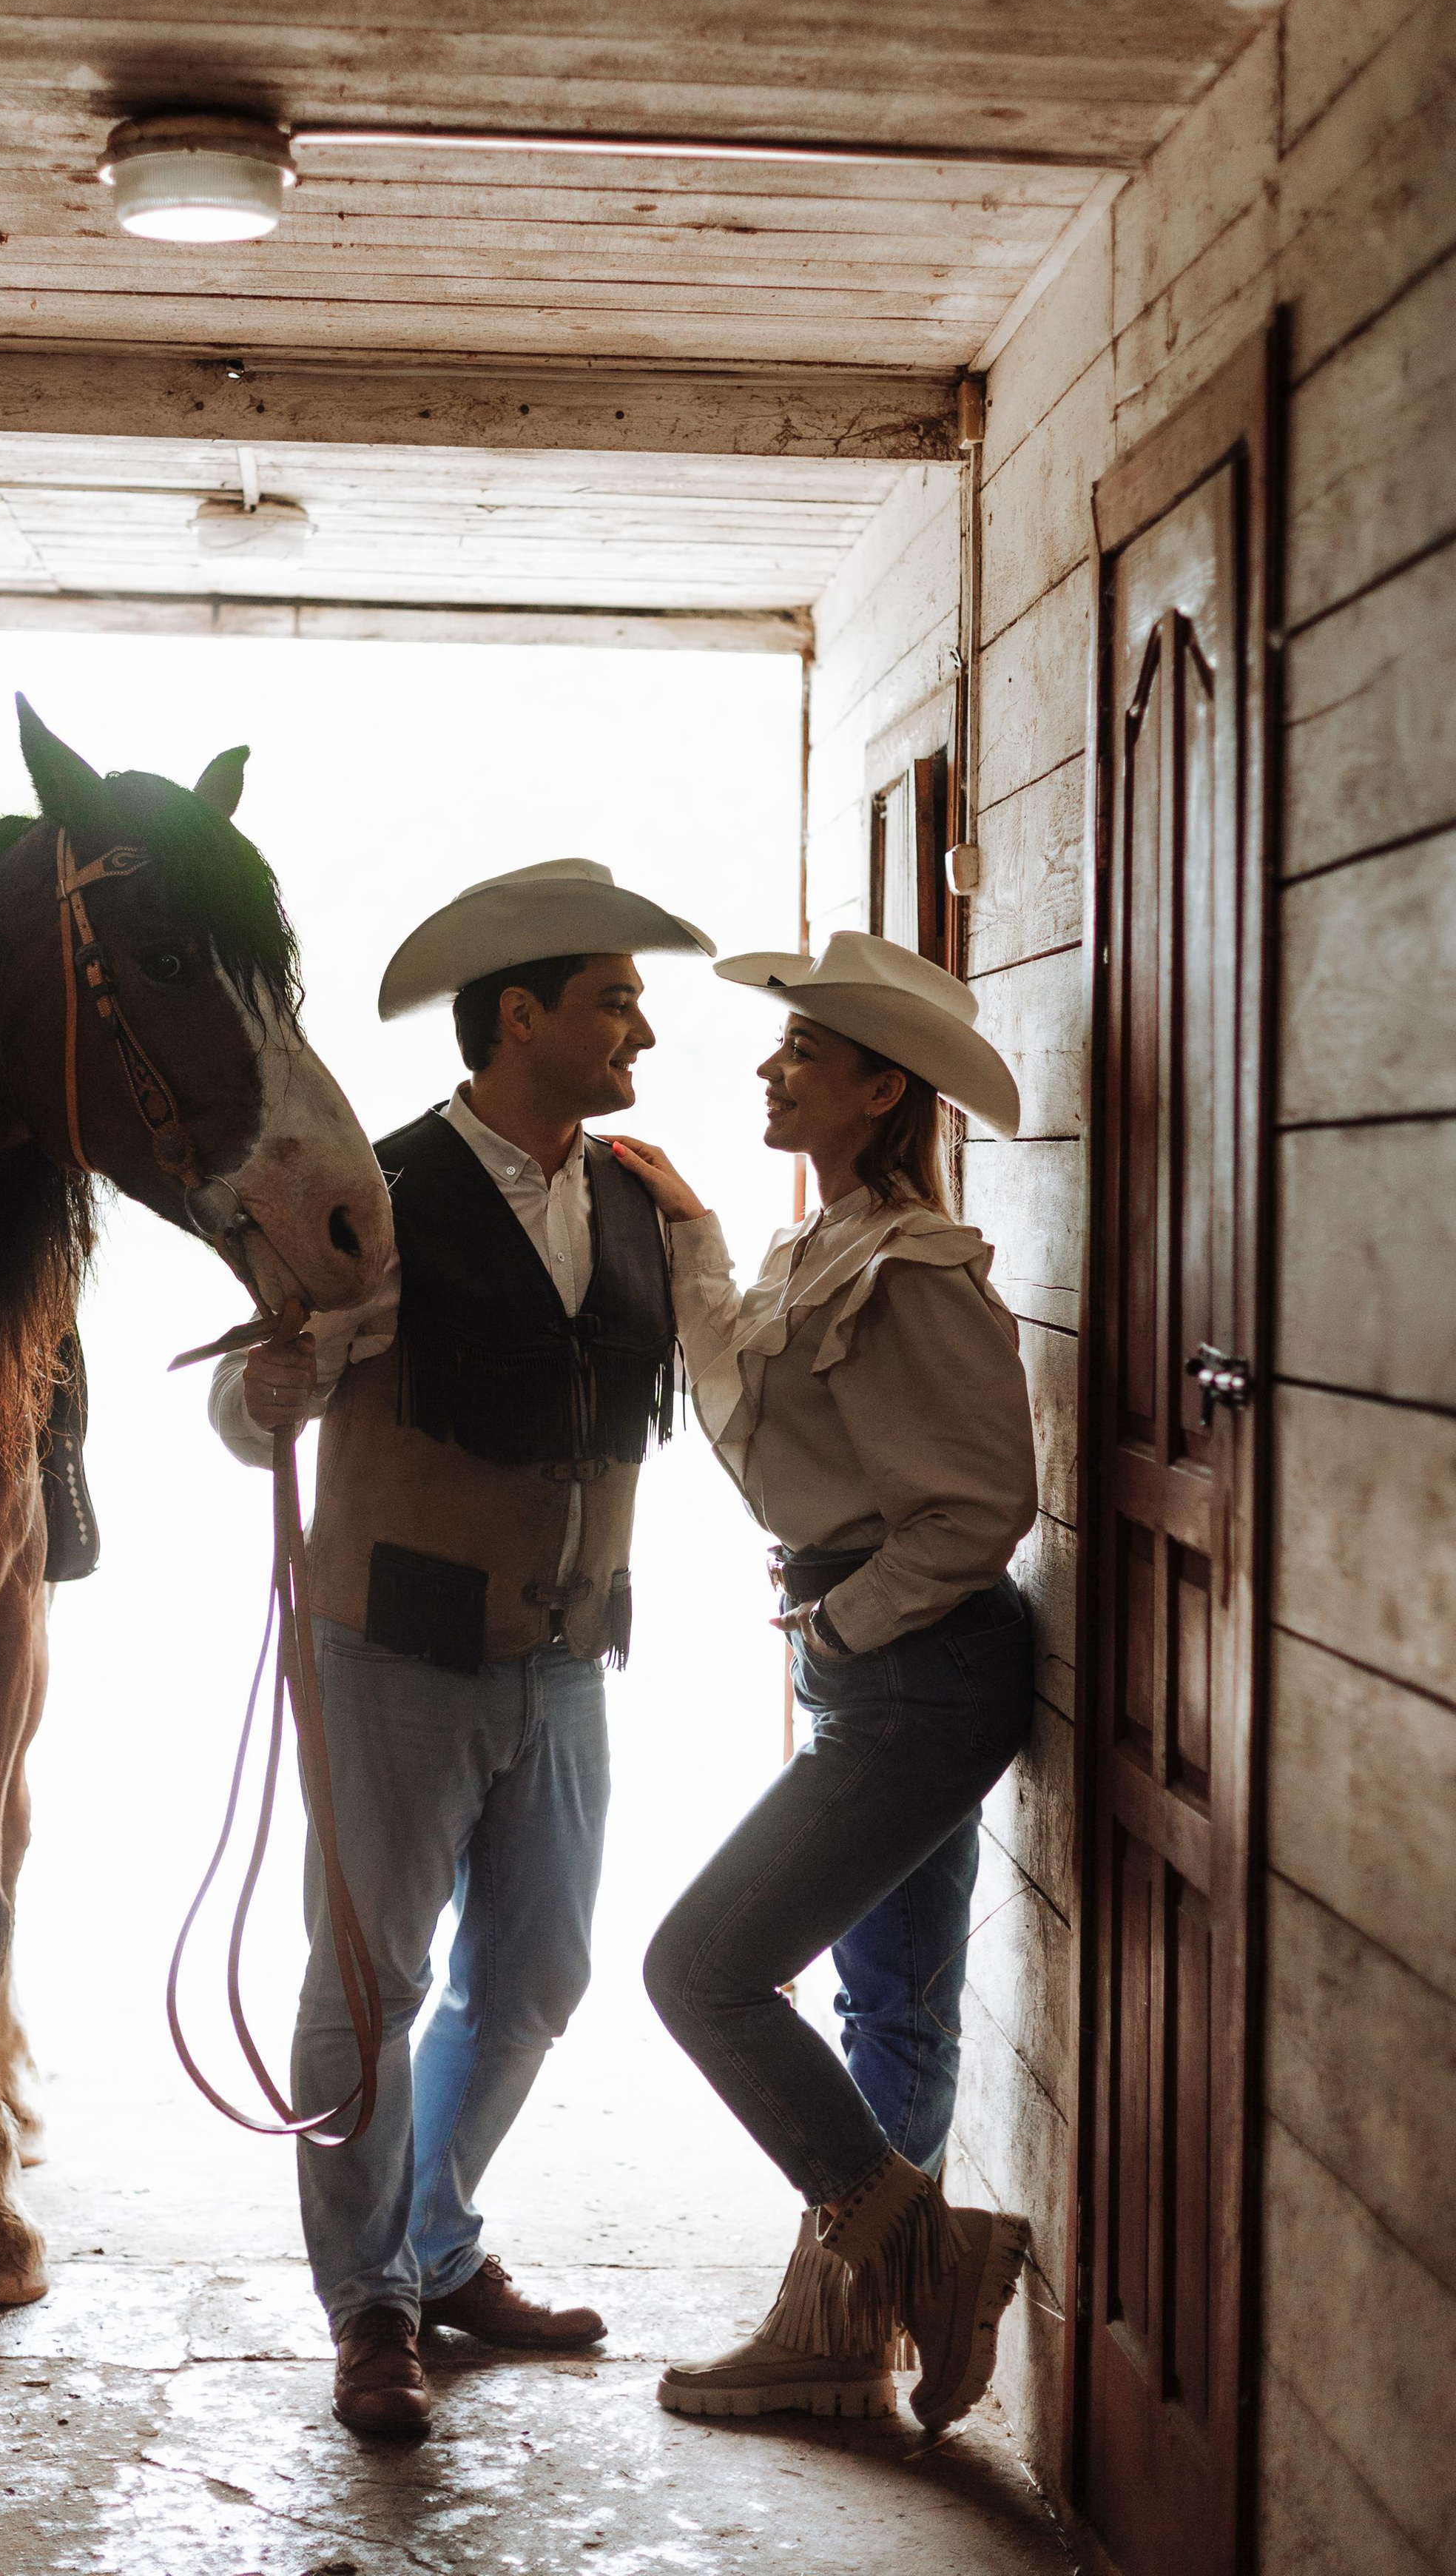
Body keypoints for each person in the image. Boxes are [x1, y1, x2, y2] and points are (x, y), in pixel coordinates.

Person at [209, 857, 713, 2438]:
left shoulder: (638, 1198)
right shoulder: (386, 1193)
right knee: (366, 1990)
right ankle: (369, 2308)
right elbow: (247, 1402)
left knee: (539, 1976)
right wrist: (265, 1396)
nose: (640, 1028)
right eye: (612, 999)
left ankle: (430, 2243)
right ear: (520, 1015)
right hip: (395, 1658)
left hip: (566, 1662)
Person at [610, 929, 1039, 2437]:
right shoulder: (824, 1243)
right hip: (882, 1671)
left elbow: (984, 1506)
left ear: (878, 1087)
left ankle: (930, 2262)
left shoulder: (916, 1264)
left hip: (916, 1677)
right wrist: (689, 1235)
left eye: (800, 1053)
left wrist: (844, 1628)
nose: (766, 1067)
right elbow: (736, 1394)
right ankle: (838, 2337)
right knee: (893, 2017)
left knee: (700, 1970)